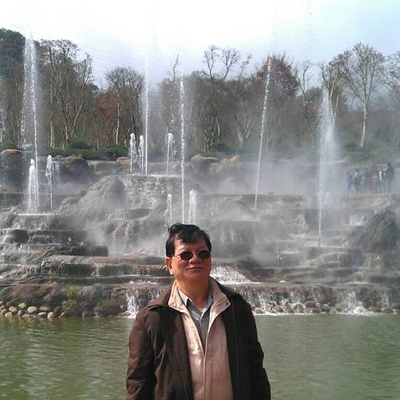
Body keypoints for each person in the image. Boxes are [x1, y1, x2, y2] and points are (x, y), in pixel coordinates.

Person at [126, 223, 271, 400]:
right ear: (169, 264)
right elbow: (138, 384)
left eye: (202, 253)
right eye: (185, 255)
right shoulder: (152, 318)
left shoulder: (237, 308)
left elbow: (256, 373)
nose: (195, 259)